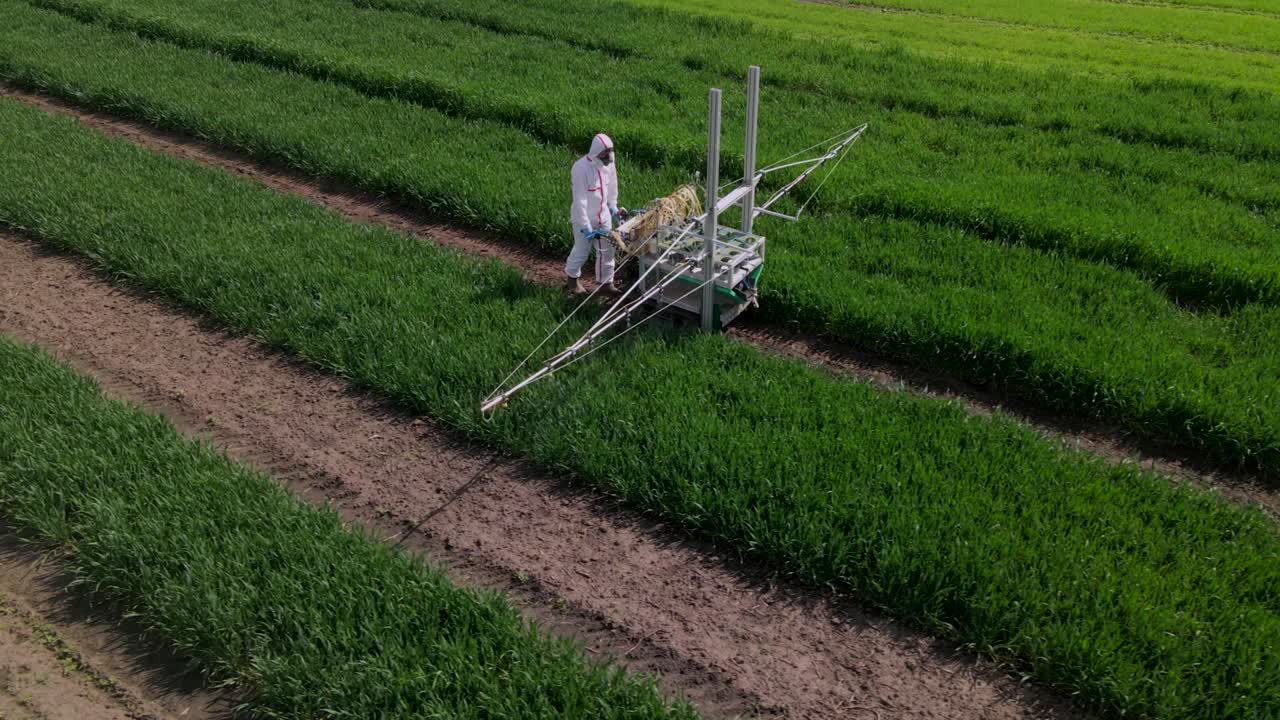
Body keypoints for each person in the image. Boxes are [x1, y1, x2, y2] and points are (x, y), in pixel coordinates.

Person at [565, 133, 626, 294]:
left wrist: (613, 206)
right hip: (584, 218)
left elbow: (613, 185)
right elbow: (580, 200)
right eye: (604, 154)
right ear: (596, 152)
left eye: (609, 154)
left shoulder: (609, 164)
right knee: (581, 250)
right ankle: (572, 281)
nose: (607, 158)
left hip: (603, 216)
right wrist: (586, 227)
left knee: (607, 250)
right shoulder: (580, 168)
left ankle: (606, 284)